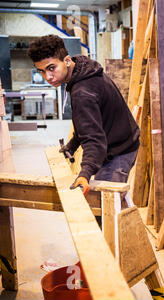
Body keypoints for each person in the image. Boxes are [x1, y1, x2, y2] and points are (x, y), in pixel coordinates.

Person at [27, 34, 140, 195]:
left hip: (119, 150)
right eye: (42, 71)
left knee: (105, 206)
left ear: (66, 60)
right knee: (108, 205)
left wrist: (85, 173)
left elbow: (94, 138)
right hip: (121, 140)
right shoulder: (83, 69)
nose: (48, 77)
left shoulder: (82, 92)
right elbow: (86, 124)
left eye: (51, 68)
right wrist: (72, 146)